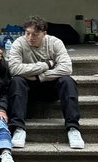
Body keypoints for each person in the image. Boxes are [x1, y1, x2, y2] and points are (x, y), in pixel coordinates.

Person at [7, 16, 83, 149]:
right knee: (17, 81)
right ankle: (18, 129)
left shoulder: (55, 43)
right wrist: (46, 65)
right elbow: (14, 69)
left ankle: (73, 129)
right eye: (27, 33)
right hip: (28, 89)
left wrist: (39, 76)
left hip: (50, 87)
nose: (30, 38)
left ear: (44, 34)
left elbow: (66, 68)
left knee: (68, 81)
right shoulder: (19, 43)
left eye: (35, 34)